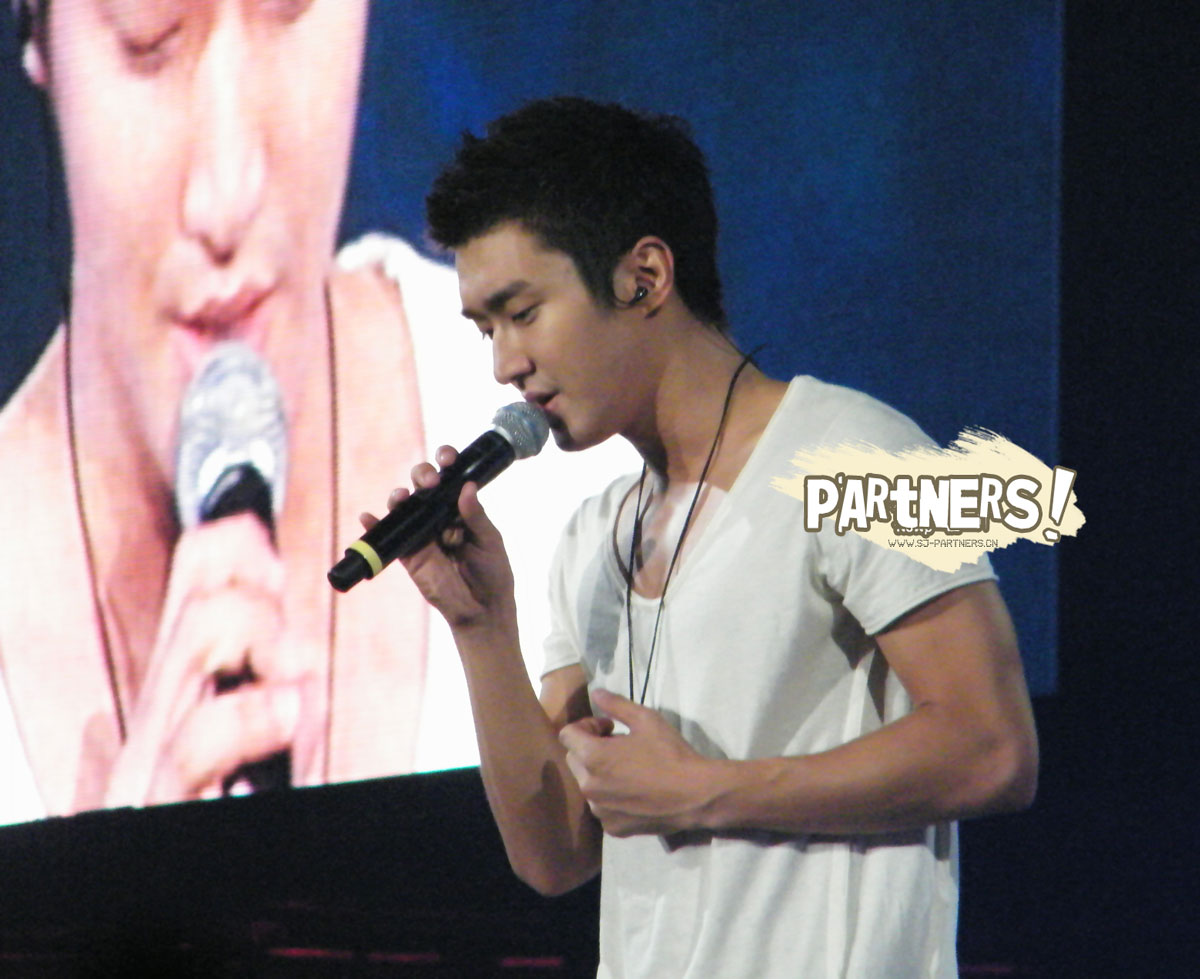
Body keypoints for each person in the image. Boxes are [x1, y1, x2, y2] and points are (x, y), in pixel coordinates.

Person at [380, 97, 1039, 977]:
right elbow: (556, 854)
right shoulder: (591, 536)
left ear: (644, 276)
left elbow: (992, 748)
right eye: (485, 328)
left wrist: (703, 791)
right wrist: (480, 625)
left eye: (523, 311)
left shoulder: (864, 456)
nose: (505, 363)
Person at [0, 1, 633, 822]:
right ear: (36, 32)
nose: (229, 194)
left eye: (290, 8)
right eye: (147, 39)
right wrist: (124, 889)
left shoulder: (585, 477)